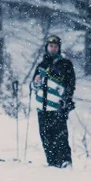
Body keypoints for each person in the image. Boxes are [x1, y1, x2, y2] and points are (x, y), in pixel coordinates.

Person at [31, 35, 76, 168]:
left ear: (59, 48)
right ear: (47, 47)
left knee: (60, 136)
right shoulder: (41, 65)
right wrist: (36, 82)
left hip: (57, 107)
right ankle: (52, 163)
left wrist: (66, 100)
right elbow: (33, 85)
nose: (53, 48)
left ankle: (65, 162)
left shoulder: (65, 64)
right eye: (51, 46)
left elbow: (70, 84)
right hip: (42, 108)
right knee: (46, 137)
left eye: (55, 46)